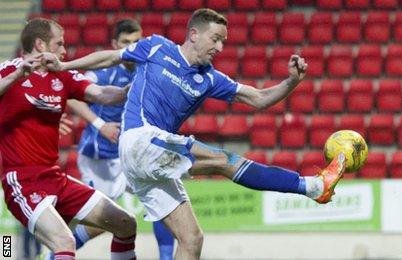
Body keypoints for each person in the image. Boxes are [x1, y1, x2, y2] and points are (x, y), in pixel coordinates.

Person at [44, 8, 346, 259]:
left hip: (147, 161)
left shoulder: (211, 78)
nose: (220, 47)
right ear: (194, 34)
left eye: (224, 42)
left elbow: (258, 98)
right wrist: (65, 65)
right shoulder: (156, 46)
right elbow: (110, 57)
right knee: (224, 160)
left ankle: (314, 188)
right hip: (139, 139)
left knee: (191, 239)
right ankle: (313, 186)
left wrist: (291, 82)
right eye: (215, 39)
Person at [0, 18, 138, 260]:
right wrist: (16, 76)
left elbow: (103, 95)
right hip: (21, 180)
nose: (65, 51)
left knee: (125, 222)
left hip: (54, 178)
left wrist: (134, 90)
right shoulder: (10, 70)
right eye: (60, 44)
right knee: (14, 243)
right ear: (41, 44)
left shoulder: (63, 76)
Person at [62, 19, 175, 260]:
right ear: (115, 44)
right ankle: (55, 253)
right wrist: (100, 125)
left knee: (164, 200)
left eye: (136, 41)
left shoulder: (148, 70)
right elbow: (70, 95)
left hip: (132, 156)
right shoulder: (103, 73)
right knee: (102, 222)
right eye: (126, 42)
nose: (132, 46)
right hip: (101, 157)